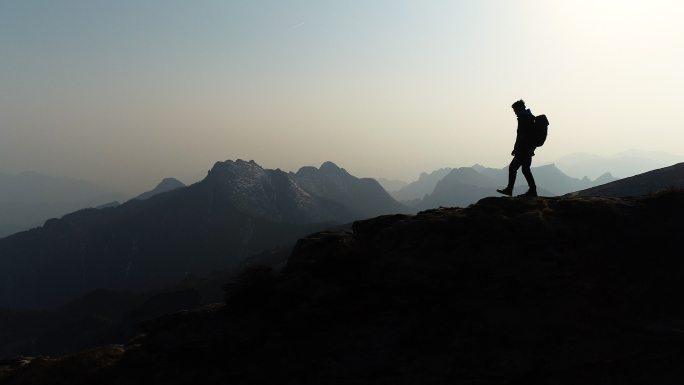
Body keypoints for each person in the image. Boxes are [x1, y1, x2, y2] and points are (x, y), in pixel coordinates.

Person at [496, 99, 537, 197]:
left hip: (524, 149)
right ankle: (532, 191)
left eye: (515, 111)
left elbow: (524, 136)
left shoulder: (525, 118)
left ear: (519, 109)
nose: (515, 113)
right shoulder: (528, 117)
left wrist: (525, 148)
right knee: (525, 169)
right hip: (526, 149)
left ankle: (510, 189)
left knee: (513, 168)